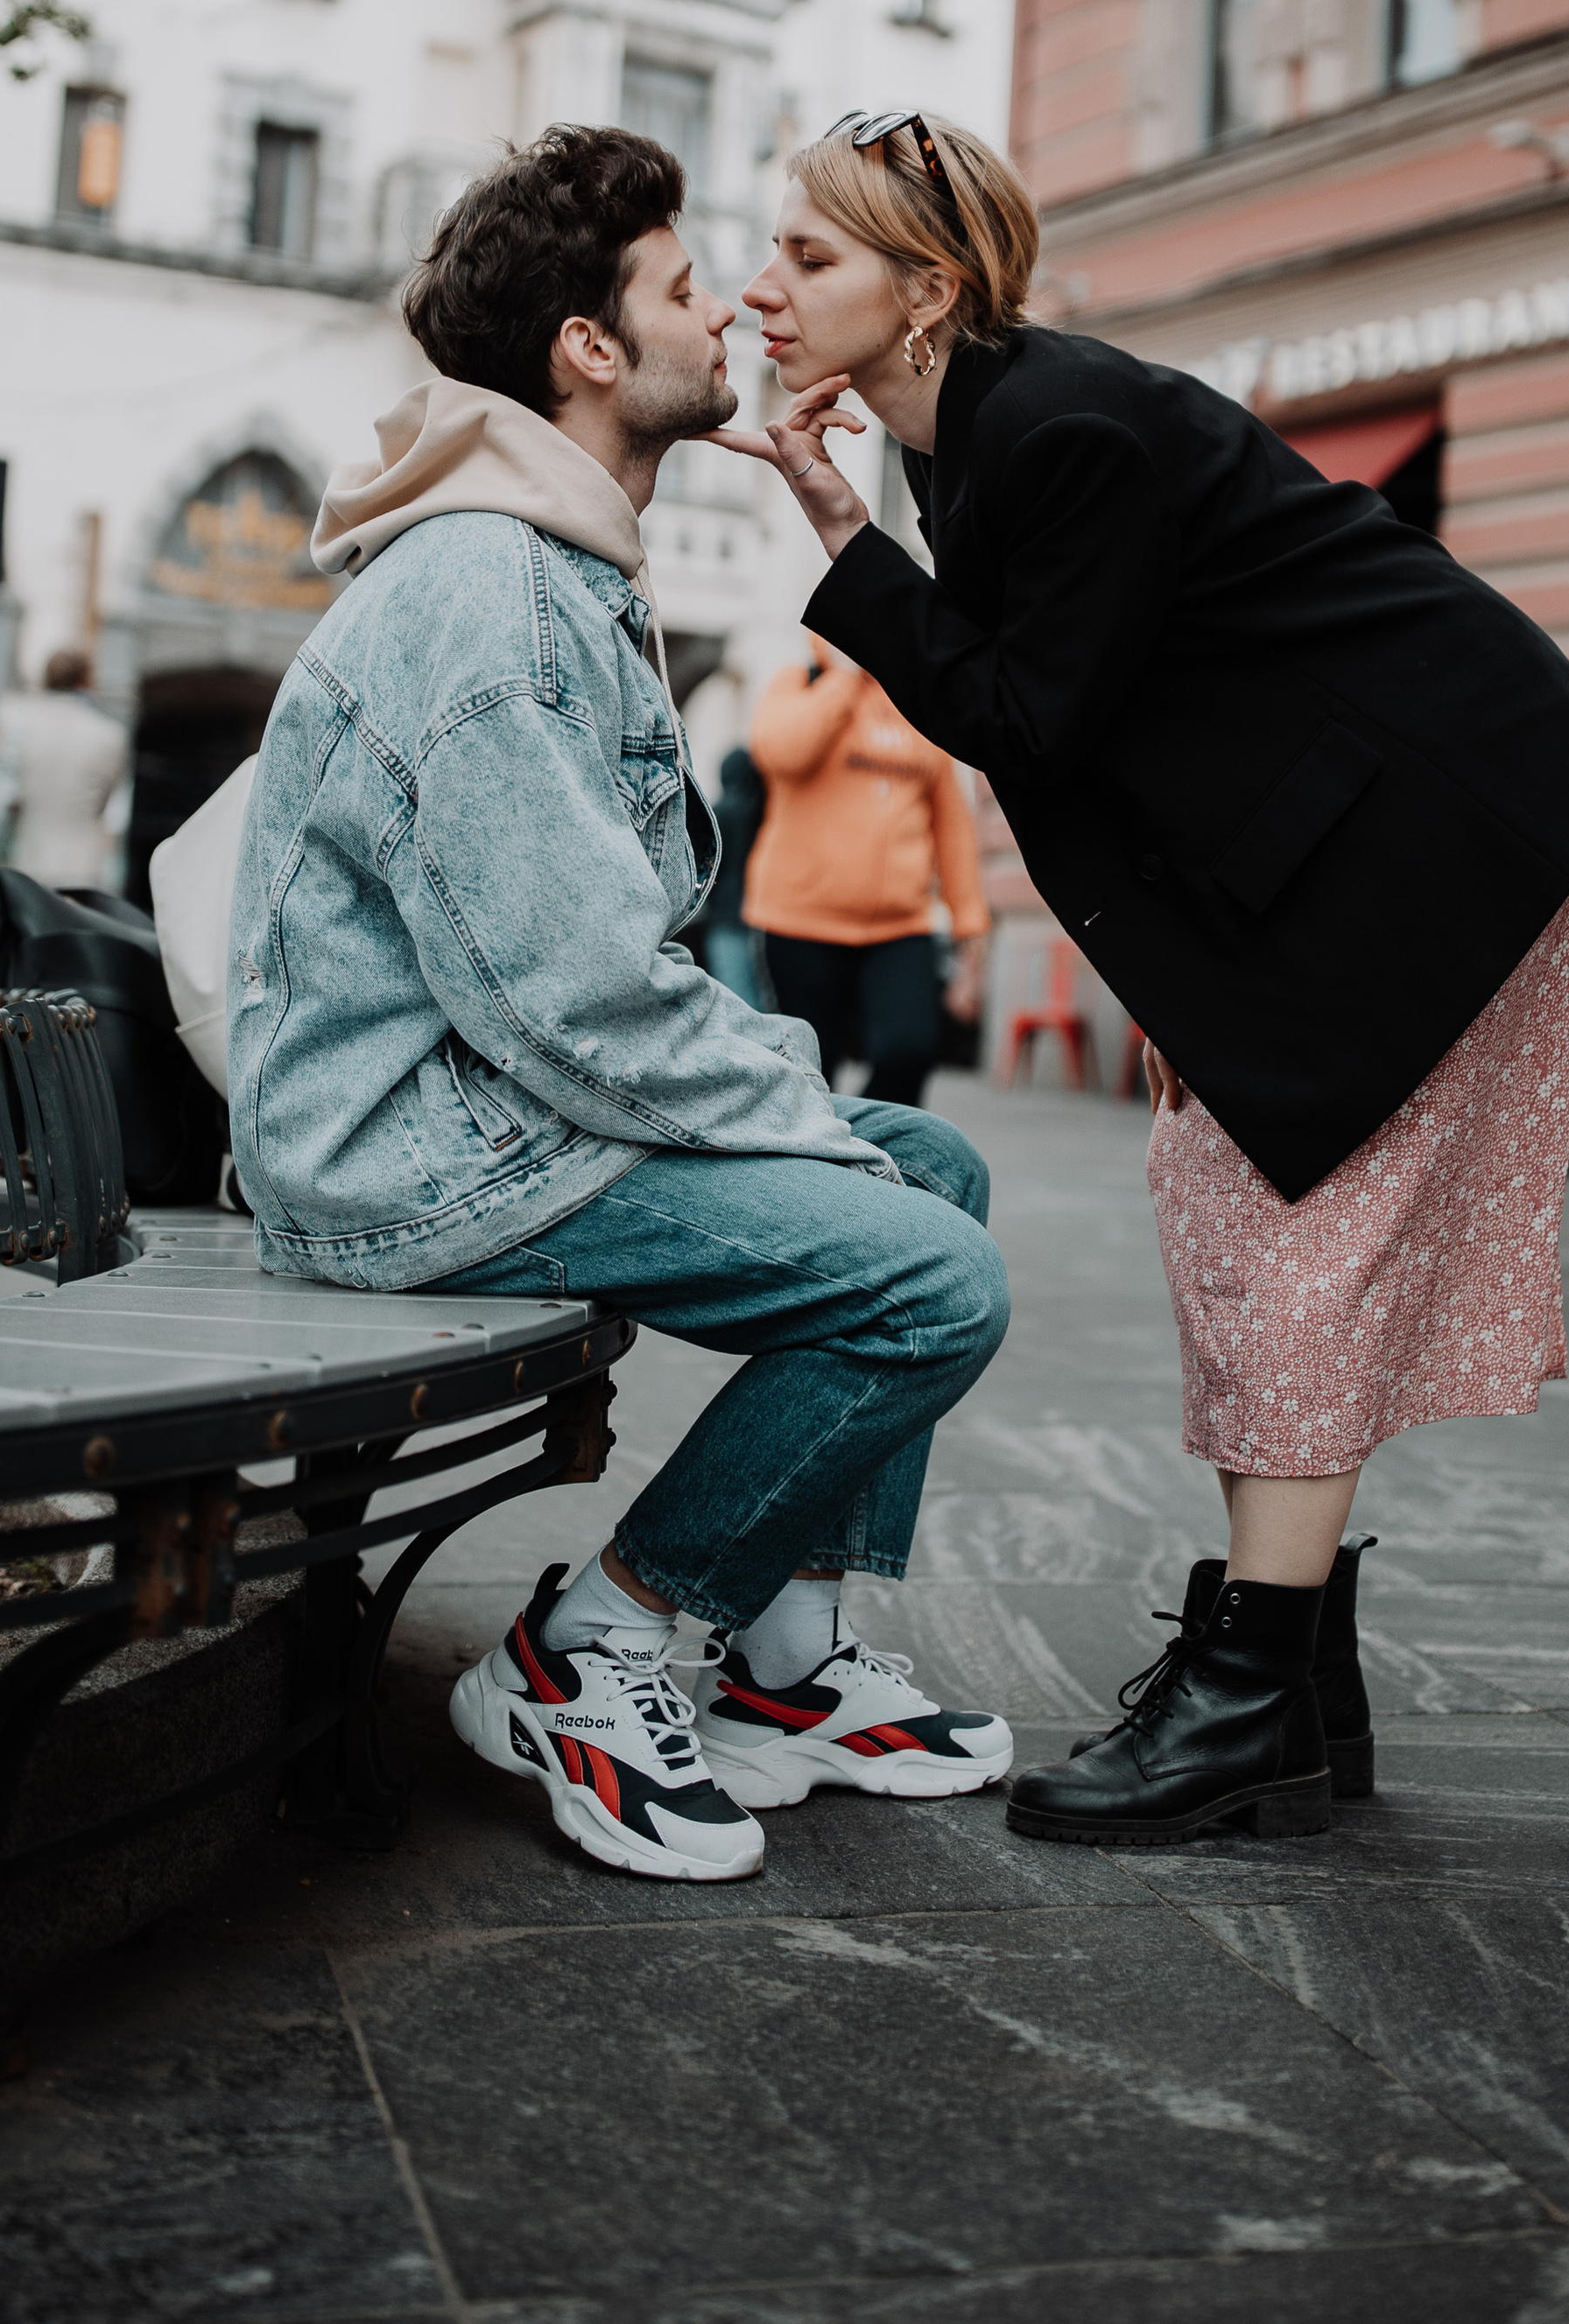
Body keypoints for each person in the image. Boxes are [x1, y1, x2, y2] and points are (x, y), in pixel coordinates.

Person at [712, 105, 1569, 1850]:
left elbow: (1025, 719)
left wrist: (841, 539)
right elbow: (1125, 731)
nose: (759, 289)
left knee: (1289, 1247)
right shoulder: (978, 437)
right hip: (1329, 859)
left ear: (924, 292)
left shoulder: (1055, 425)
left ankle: (1251, 1704)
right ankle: (1293, 1691)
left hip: (1436, 846)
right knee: (1243, 1223)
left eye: (808, 258)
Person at [226, 123, 1013, 1888]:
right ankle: (590, 1652)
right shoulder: (490, 589)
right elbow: (578, 999)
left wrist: (819, 1123)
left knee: (932, 1172)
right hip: (409, 1159)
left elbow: (593, 976)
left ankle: (787, 1662)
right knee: (928, 1273)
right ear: (588, 349)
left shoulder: (561, 555)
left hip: (495, 1114)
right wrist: (804, 1117)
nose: (726, 310)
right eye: (677, 289)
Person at [745, 642, 988, 1106]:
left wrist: (971, 938)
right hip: (800, 921)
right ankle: (820, 1165)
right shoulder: (802, 681)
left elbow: (953, 832)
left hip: (901, 925)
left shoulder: (919, 703)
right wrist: (844, 675)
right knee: (814, 1070)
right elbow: (781, 752)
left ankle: (866, 1148)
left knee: (910, 1051)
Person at [0, 648, 129, 891]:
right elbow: (105, 803)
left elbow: (0, 786)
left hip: (22, 859)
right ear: (87, 680)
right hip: (81, 869)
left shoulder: (15, 724)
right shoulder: (110, 735)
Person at [697, 741, 770, 1008]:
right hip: (765, 920)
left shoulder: (717, 814)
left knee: (735, 1002)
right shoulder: (765, 813)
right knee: (767, 1005)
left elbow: (705, 869)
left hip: (726, 921)